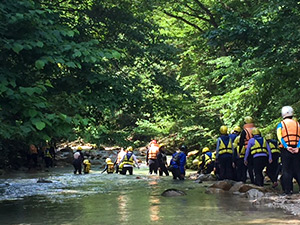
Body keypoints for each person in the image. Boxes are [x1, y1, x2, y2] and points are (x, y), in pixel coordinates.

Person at [276, 106, 300, 194]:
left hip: (286, 150)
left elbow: (280, 137)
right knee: (298, 169)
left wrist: (286, 146)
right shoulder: (297, 124)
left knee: (286, 170)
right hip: (297, 149)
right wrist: (298, 147)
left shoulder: (281, 124)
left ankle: (288, 190)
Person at [239, 116, 256, 184]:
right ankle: (256, 180)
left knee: (248, 166)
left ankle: (247, 179)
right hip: (256, 149)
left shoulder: (244, 131)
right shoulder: (256, 129)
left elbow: (241, 142)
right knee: (254, 166)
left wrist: (240, 151)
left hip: (247, 149)